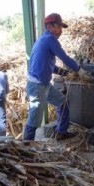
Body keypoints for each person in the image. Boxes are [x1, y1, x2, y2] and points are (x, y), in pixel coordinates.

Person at [23, 13, 88, 141]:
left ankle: (61, 132)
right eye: (57, 27)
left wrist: (66, 73)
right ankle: (26, 148)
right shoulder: (49, 40)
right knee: (34, 119)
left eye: (61, 27)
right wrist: (79, 70)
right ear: (49, 27)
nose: (60, 30)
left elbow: (50, 66)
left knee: (63, 103)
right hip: (37, 86)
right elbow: (65, 58)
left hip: (44, 84)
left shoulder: (43, 40)